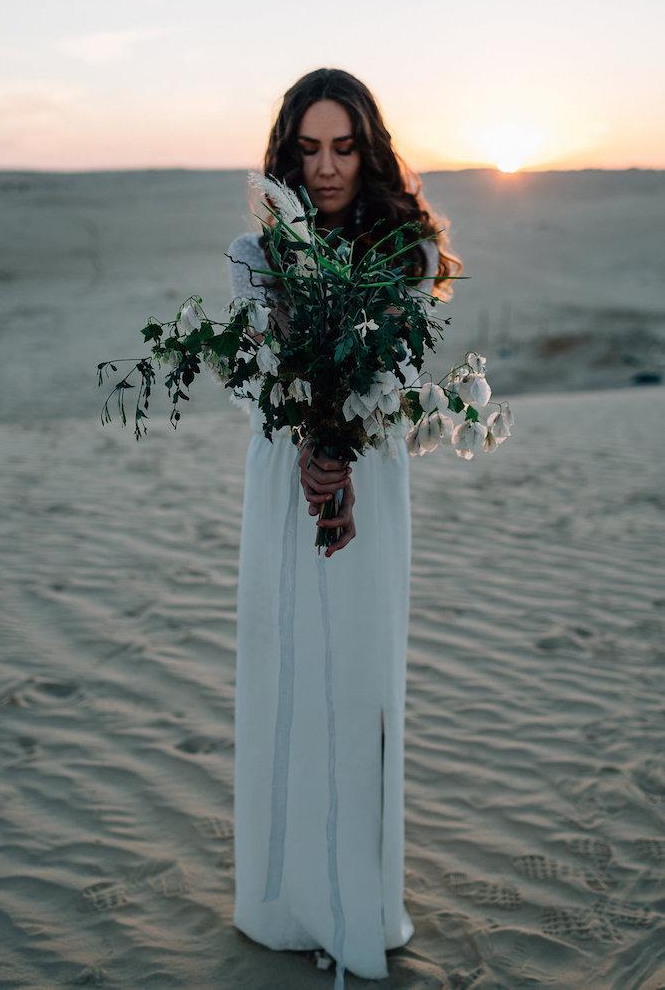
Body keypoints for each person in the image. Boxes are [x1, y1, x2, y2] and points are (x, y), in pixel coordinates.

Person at [224, 68, 462, 987]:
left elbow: (397, 385)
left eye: (344, 146)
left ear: (369, 148)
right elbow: (250, 380)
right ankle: (282, 902)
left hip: (375, 481)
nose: (325, 169)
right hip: (281, 484)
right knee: (284, 666)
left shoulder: (406, 249)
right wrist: (306, 439)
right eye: (308, 149)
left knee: (357, 677)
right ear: (286, 152)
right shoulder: (254, 251)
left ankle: (356, 895)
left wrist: (347, 444)